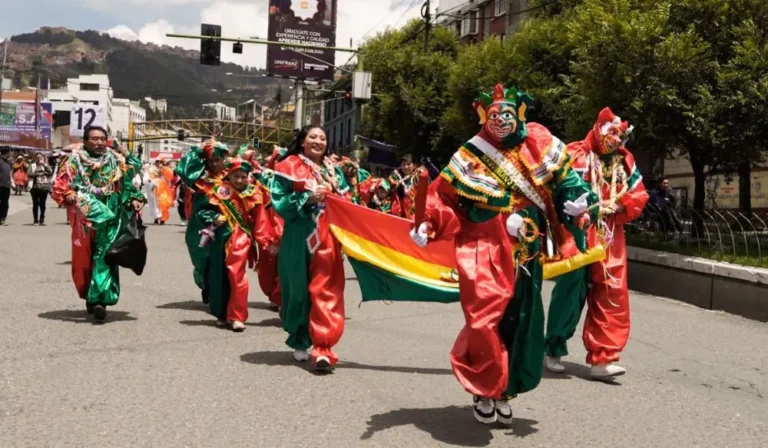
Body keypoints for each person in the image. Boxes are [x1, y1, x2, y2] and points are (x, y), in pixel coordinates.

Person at [410, 84, 596, 425]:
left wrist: (579, 203)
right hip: (483, 244)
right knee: (484, 317)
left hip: (526, 250)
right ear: (484, 117)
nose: (500, 121)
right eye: (493, 115)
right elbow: (445, 198)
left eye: (507, 115)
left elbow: (567, 182)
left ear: (519, 116)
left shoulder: (538, 144)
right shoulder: (470, 153)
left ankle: (505, 388)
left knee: (521, 317)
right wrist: (429, 224)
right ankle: (483, 387)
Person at [545, 108, 649, 379]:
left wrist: (623, 204)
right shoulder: (575, 153)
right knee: (571, 288)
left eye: (620, 135)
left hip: (611, 232)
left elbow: (638, 193)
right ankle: (552, 347)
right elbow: (554, 186)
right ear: (597, 128)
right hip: (579, 230)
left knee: (612, 292)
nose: (614, 139)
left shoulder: (625, 162)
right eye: (611, 132)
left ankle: (603, 358)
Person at [270, 125, 347, 371]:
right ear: (302, 141)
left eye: (323, 137)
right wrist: (306, 198)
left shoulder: (334, 170)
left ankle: (323, 347)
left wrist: (337, 192)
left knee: (326, 289)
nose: (318, 141)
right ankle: (300, 337)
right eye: (313, 136)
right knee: (298, 290)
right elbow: (279, 200)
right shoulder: (288, 165)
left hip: (327, 237)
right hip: (298, 235)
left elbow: (350, 202)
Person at [51, 126, 146, 321]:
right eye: (94, 138)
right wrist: (67, 194)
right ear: (85, 140)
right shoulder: (73, 160)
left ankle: (100, 300)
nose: (99, 142)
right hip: (84, 215)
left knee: (105, 255)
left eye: (102, 138)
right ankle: (89, 294)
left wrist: (135, 198)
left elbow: (127, 183)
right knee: (83, 259)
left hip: (111, 215)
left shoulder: (115, 160)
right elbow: (61, 183)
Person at [195, 153, 278, 331]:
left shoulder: (254, 194)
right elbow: (200, 212)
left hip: (241, 239)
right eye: (236, 176)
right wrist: (214, 216)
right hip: (219, 240)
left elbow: (261, 221)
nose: (240, 180)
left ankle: (237, 316)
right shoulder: (218, 191)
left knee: (237, 276)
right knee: (218, 276)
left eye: (243, 177)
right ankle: (222, 313)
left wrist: (267, 243)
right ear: (229, 175)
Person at [176, 139, 229, 305]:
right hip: (201, 224)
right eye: (211, 160)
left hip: (227, 224)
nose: (215, 164)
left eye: (218, 159)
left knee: (225, 260)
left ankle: (223, 294)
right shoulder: (200, 178)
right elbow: (183, 170)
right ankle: (207, 285)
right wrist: (198, 151)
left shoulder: (231, 176)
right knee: (203, 259)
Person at [389, 154, 425, 219]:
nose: (406, 167)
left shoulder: (419, 176)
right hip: (397, 210)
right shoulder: (395, 175)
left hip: (413, 212)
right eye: (404, 164)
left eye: (408, 164)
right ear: (400, 165)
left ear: (414, 165)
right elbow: (390, 190)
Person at [144, 159, 174, 225]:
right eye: (157, 161)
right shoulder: (151, 169)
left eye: (160, 162)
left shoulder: (165, 169)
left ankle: (163, 219)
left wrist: (163, 169)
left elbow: (170, 177)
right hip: (154, 189)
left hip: (163, 189)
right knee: (154, 204)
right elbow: (146, 178)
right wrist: (150, 181)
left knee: (163, 203)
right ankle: (156, 218)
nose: (158, 163)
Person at [28, 153, 53, 225]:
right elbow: (29, 174)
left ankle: (42, 219)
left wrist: (44, 165)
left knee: (42, 204)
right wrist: (38, 174)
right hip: (34, 187)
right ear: (35, 158)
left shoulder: (45, 165)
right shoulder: (32, 165)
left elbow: (50, 172)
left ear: (43, 158)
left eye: (40, 158)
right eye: (37, 158)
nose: (39, 159)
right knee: (35, 204)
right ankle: (35, 219)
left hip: (44, 187)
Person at [0, 150, 12, 226]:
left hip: (7, 185)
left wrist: (12, 181)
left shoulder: (8, 162)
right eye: (8, 153)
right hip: (0, 185)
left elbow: (10, 172)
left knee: (5, 202)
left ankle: (3, 218)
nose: (9, 155)